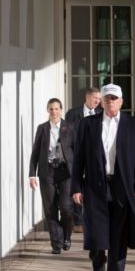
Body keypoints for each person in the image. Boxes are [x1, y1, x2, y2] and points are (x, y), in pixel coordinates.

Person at [71, 83, 135, 271]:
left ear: (122, 101)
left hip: (122, 189)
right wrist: (76, 186)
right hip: (95, 187)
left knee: (118, 239)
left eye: (114, 98)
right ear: (101, 102)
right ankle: (98, 266)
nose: (110, 102)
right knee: (95, 236)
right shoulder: (88, 125)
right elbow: (79, 158)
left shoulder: (134, 125)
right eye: (107, 98)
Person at [29, 98, 76, 254]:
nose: (54, 112)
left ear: (61, 110)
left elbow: (77, 150)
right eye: (51, 109)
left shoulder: (69, 127)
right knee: (50, 208)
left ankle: (66, 235)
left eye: (56, 109)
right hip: (47, 171)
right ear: (47, 111)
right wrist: (31, 174)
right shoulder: (42, 128)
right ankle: (56, 243)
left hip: (65, 171)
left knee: (66, 207)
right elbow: (35, 152)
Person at [65, 87, 102, 233]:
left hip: (95, 157)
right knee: (77, 187)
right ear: (87, 97)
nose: (98, 101)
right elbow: (66, 136)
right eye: (95, 98)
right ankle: (78, 221)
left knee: (94, 187)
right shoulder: (73, 114)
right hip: (76, 155)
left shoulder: (101, 113)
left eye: (99, 99)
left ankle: (95, 219)